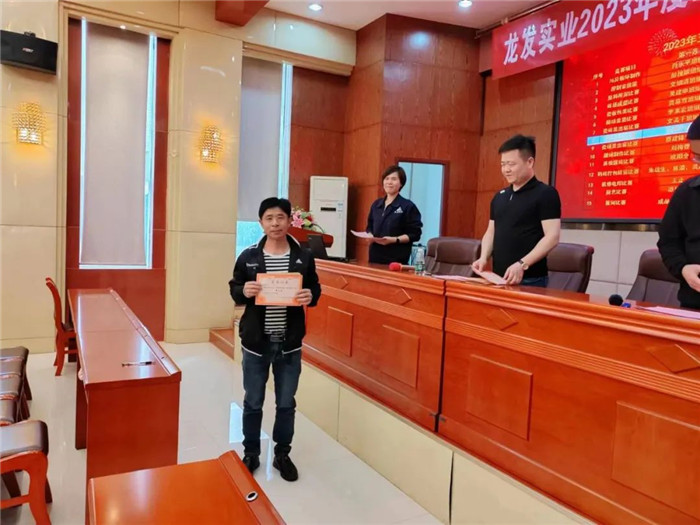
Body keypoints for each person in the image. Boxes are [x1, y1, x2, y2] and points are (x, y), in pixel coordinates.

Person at [229, 197, 321, 481]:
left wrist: (310, 296)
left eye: (280, 217)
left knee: (286, 403)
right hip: (256, 343)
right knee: (253, 401)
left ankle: (282, 454)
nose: (275, 223)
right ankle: (251, 453)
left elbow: (314, 288)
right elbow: (234, 287)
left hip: (289, 343)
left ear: (289, 220)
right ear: (261, 223)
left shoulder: (304, 256)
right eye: (269, 218)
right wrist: (243, 291)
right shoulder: (248, 256)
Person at [472, 135, 561, 286]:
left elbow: (552, 237)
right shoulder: (499, 197)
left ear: (530, 162)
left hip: (530, 280)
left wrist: (522, 264)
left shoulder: (545, 194)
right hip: (498, 278)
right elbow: (491, 232)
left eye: (511, 164)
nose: (506, 169)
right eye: (503, 164)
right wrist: (483, 258)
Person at [657, 114, 700, 310]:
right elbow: (668, 242)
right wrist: (683, 268)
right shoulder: (686, 192)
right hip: (693, 305)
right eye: (696, 156)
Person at [366, 165, 423, 264]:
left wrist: (394, 240)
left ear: (401, 183)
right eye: (386, 179)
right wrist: (369, 235)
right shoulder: (376, 205)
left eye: (394, 179)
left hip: (396, 260)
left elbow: (415, 234)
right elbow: (369, 227)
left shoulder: (408, 206)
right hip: (375, 257)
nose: (389, 182)